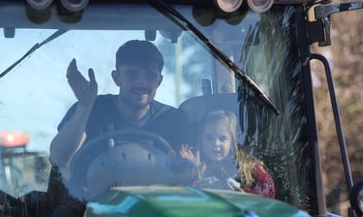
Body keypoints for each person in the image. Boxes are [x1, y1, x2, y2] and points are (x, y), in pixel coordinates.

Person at [49, 40, 178, 173]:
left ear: (159, 81)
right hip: (90, 194)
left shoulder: (172, 120)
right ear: (116, 78)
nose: (142, 82)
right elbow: (59, 160)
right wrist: (84, 106)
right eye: (132, 74)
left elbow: (189, 170)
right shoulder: (90, 111)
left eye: (151, 76)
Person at [178, 110, 275, 198]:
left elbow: (267, 189)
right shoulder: (199, 166)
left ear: (232, 142)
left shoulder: (247, 166)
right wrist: (191, 167)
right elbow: (187, 195)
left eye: (222, 139)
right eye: (209, 138)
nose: (216, 143)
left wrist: (246, 196)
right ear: (201, 141)